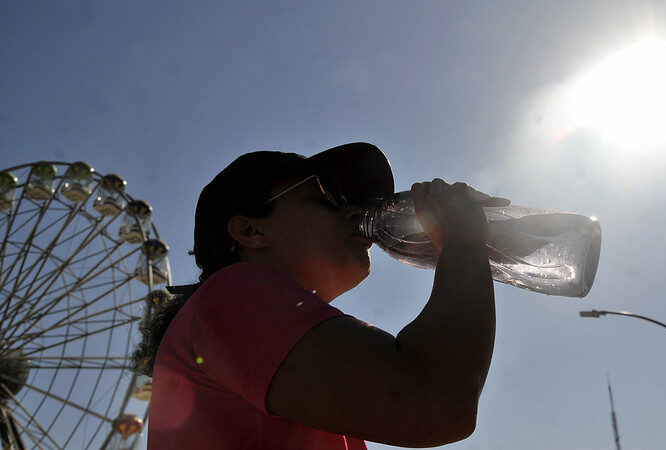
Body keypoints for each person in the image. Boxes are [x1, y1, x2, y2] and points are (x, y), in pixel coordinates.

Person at [132, 142, 509, 449]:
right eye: (326, 194)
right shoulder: (229, 296)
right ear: (250, 231)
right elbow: (434, 401)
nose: (354, 212)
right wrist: (462, 242)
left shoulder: (241, 331)